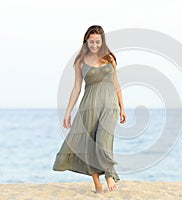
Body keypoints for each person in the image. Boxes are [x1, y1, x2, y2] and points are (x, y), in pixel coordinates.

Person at [52, 25, 127, 194]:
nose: (94, 45)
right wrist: (68, 112)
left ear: (102, 41)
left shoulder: (110, 58)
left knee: (103, 140)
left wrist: (123, 108)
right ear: (86, 41)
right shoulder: (80, 61)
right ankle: (98, 186)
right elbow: (76, 88)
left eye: (97, 42)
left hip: (110, 106)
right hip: (88, 107)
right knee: (89, 145)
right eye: (91, 41)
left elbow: (117, 84)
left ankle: (109, 174)